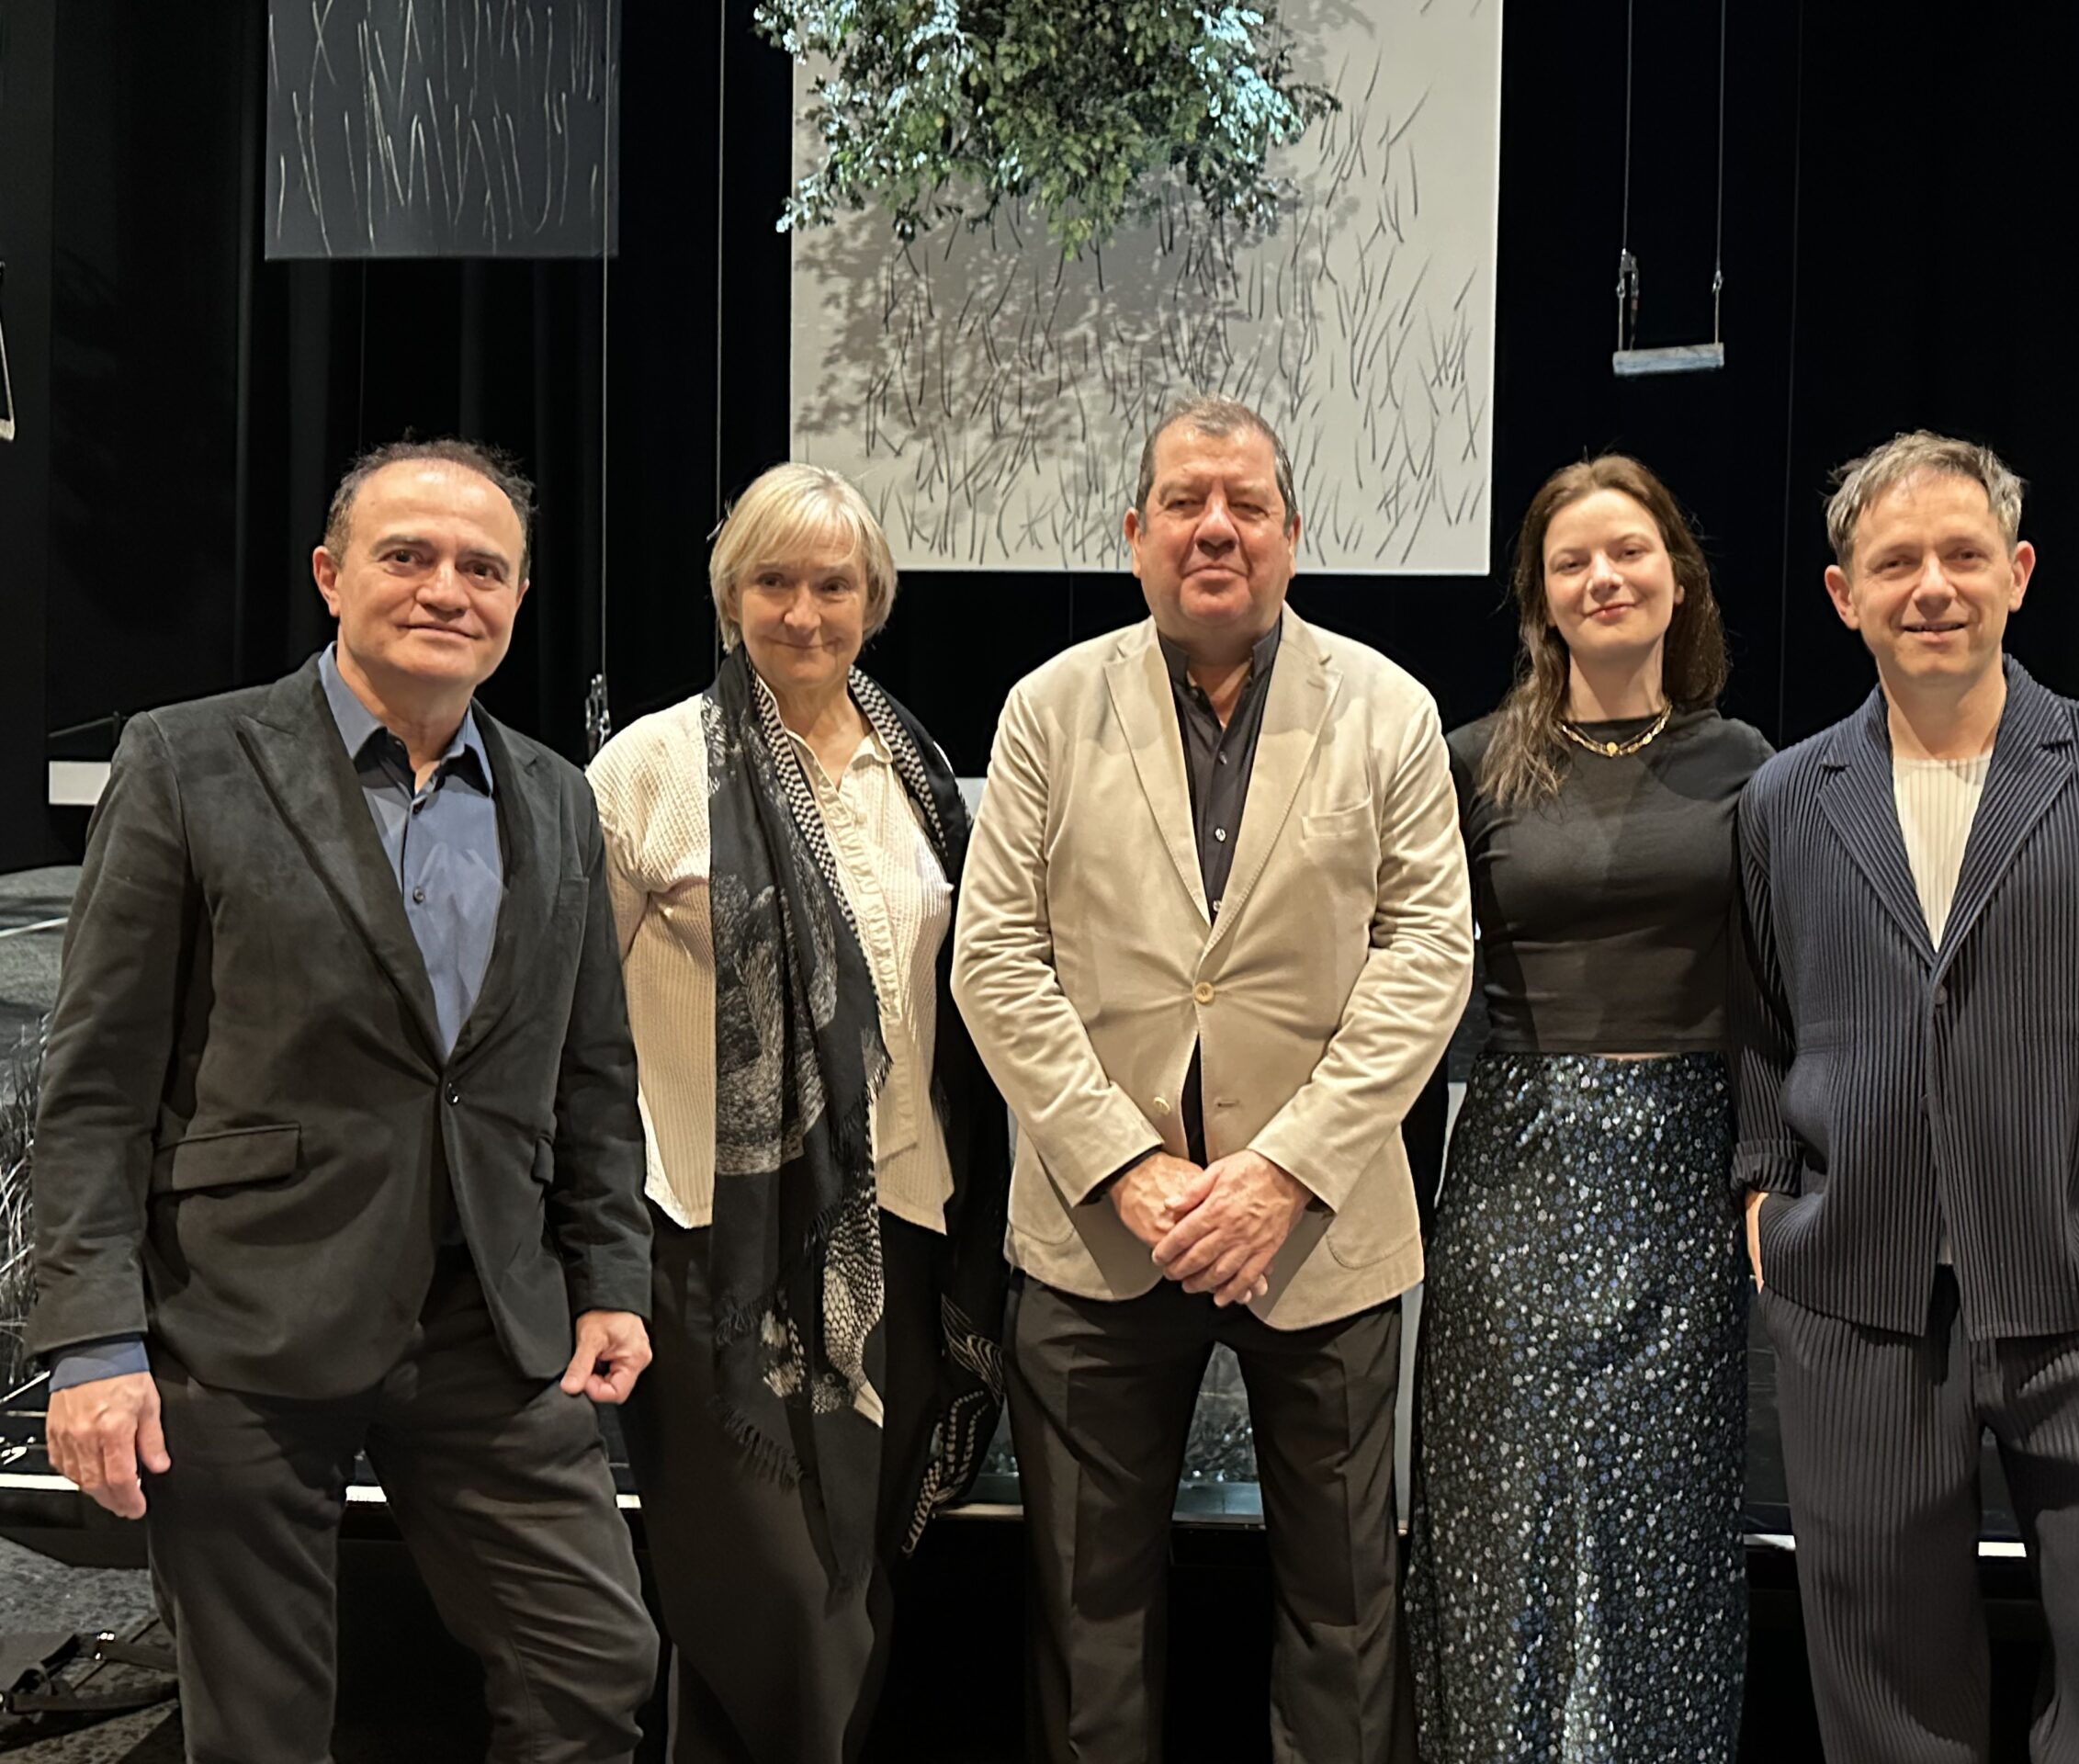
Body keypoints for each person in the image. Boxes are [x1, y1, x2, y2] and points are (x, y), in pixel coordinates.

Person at [30, 438, 659, 1763]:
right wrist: (91, 1343)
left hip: (488, 1317)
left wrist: (609, 1273)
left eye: (482, 567)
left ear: (519, 596)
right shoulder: (193, 760)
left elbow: (591, 1067)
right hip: (244, 1318)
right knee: (260, 1726)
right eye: (408, 556)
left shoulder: (553, 795)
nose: (447, 588)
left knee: (596, 1660)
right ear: (331, 575)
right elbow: (94, 1085)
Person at [1736, 431, 2079, 1762]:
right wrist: (1763, 1204)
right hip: (1859, 1306)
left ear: (2019, 574)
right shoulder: (1783, 801)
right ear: (1842, 594)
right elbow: (1759, 1024)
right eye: (1896, 561)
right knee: (1882, 1704)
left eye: (1963, 554)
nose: (1933, 585)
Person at [951, 394, 1473, 1763]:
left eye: (1246, 504)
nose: (1215, 527)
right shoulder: (1049, 708)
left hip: (1323, 1231)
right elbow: (996, 959)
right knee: (1088, 1616)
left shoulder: (1390, 709)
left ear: (1294, 535)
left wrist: (1285, 1171)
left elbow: (1428, 957)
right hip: (1097, 1234)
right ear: (1135, 533)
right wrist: (1126, 1167)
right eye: (1185, 501)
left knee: (1347, 1615)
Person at [587, 462, 1010, 1763]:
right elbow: (573, 1023)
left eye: (834, 584)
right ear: (730, 596)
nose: (805, 612)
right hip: (716, 1242)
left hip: (904, 1227)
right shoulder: (651, 766)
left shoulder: (921, 769)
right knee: (767, 1592)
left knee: (855, 1582)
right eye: (774, 580)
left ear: (873, 600)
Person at [1406, 456, 1769, 1761]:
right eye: (1574, 563)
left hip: (1682, 1174)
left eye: (1630, 554)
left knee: (1659, 1522)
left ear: (1679, 580)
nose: (1605, 578)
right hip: (1516, 1165)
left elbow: (1774, 991)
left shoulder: (1746, 766)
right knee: (1505, 1519)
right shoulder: (1466, 765)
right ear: (1540, 599)